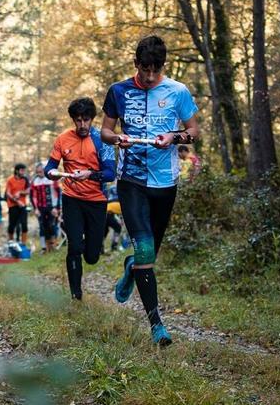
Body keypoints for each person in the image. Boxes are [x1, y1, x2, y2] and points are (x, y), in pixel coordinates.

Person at [101, 35, 199, 346]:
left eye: (155, 70)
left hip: (165, 184)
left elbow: (194, 131)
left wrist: (174, 137)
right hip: (131, 181)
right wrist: (118, 140)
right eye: (144, 69)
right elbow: (104, 131)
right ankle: (157, 325)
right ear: (136, 64)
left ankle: (131, 267)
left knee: (148, 254)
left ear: (163, 66)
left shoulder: (178, 92)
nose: (149, 76)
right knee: (143, 248)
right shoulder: (118, 91)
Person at [44, 97, 116, 300]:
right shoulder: (63, 139)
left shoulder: (102, 139)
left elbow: (110, 174)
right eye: (78, 120)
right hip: (72, 198)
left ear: (92, 119)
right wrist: (52, 173)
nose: (82, 124)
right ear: (73, 120)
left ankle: (88, 245)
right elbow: (49, 167)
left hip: (96, 201)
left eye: (86, 120)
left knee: (92, 257)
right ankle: (76, 294)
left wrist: (90, 174)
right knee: (74, 247)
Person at [30, 163, 61, 252]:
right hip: (40, 208)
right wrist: (35, 209)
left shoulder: (52, 179)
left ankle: (53, 245)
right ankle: (44, 247)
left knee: (52, 226)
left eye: (41, 171)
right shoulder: (35, 182)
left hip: (52, 207)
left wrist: (57, 207)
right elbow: (33, 197)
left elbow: (58, 194)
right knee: (42, 227)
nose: (40, 173)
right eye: (38, 172)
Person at [5, 164, 30, 245]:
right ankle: (11, 243)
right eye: (22, 170)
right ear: (17, 171)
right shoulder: (10, 180)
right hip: (13, 206)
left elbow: (28, 191)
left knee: (24, 225)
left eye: (24, 170)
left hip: (23, 206)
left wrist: (20, 192)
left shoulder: (25, 179)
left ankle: (23, 244)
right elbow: (8, 193)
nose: (23, 172)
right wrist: (16, 201)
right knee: (12, 225)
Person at [104, 182, 124, 253]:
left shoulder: (110, 189)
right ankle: (114, 246)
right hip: (109, 213)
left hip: (105, 212)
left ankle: (100, 248)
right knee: (118, 227)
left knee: (105, 230)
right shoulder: (122, 201)